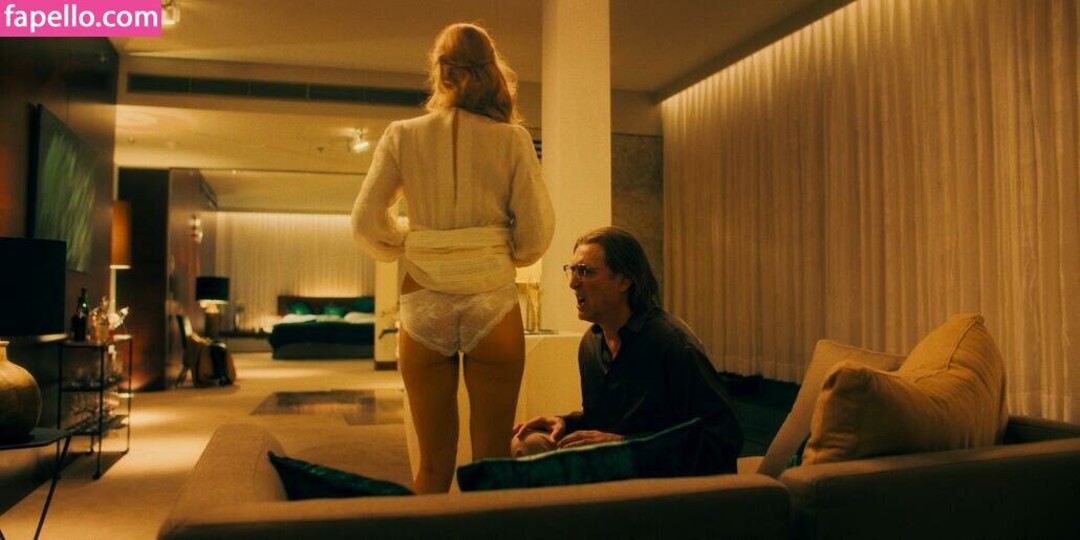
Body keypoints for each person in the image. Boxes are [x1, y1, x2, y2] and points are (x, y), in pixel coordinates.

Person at [351, 22, 554, 493]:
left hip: (424, 297)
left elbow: (365, 221)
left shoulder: (402, 135)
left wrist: (409, 238)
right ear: (490, 68)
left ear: (441, 70)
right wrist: (504, 249)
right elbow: (536, 231)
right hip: (491, 298)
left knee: (431, 467)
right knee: (493, 462)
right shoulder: (512, 140)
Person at [512, 227, 743, 475]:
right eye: (573, 270)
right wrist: (565, 424)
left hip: (665, 478)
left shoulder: (672, 343)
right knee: (527, 442)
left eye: (585, 272)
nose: (573, 283)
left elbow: (723, 438)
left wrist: (625, 445)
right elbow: (608, 421)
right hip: (618, 466)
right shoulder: (592, 343)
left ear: (624, 280)